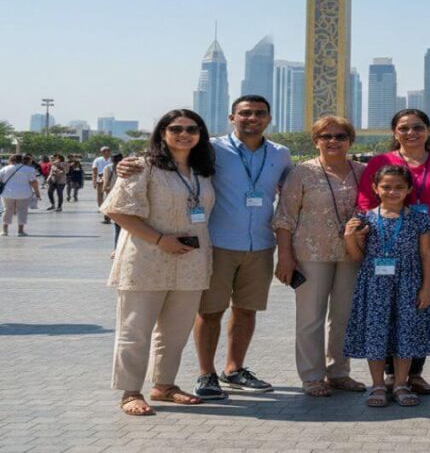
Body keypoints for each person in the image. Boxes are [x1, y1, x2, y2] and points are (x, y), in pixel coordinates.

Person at [117, 94, 292, 400]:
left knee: (246, 311)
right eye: (245, 113)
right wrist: (127, 164)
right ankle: (205, 374)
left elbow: (291, 195)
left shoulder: (281, 153)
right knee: (209, 312)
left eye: (259, 113)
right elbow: (160, 166)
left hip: (261, 244)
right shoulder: (211, 148)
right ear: (231, 118)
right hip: (217, 243)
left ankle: (234, 369)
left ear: (269, 118)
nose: (252, 118)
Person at [101, 109, 215, 416]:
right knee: (135, 328)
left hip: (190, 262)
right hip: (147, 259)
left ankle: (165, 385)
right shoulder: (142, 166)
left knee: (176, 330)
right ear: (162, 133)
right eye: (176, 128)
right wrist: (159, 239)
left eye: (192, 128)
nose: (184, 133)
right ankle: (130, 391)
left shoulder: (203, 171)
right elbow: (118, 211)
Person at [356, 109, 430, 395]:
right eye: (404, 128)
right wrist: (375, 229)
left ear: (428, 130)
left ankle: (414, 372)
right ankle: (390, 374)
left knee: (420, 306)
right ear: (394, 132)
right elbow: (365, 199)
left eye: (418, 127)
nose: (411, 133)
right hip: (387, 246)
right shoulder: (381, 162)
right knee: (384, 310)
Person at [272, 115, 367, 397]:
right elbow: (284, 217)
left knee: (344, 316)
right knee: (310, 317)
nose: (333, 141)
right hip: (310, 253)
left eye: (340, 136)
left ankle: (339, 371)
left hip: (351, 254)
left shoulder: (362, 171)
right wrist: (285, 257)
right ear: (316, 141)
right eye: (326, 136)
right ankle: (312, 375)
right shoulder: (302, 172)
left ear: (350, 141)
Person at [343, 165, 430, 407]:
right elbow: (357, 257)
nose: (392, 191)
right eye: (386, 187)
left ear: (409, 189)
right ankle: (377, 384)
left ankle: (400, 383)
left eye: (399, 187)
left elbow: (426, 254)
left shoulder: (420, 218)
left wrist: (427, 287)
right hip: (375, 285)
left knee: (405, 333)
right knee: (376, 334)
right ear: (376, 189)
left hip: (408, 284)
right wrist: (349, 237)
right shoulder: (364, 218)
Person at [1, 154, 42, 237]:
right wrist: (37, 193)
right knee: (22, 210)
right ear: (22, 160)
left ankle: (4, 230)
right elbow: (33, 182)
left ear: (11, 160)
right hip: (24, 193)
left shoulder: (5, 169)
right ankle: (20, 231)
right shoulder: (29, 170)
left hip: (8, 193)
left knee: (7, 210)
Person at [93, 147, 113, 223]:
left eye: (108, 151)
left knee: (109, 195)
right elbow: (94, 170)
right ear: (101, 152)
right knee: (100, 194)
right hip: (100, 179)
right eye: (104, 151)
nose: (106, 152)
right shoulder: (97, 160)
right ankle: (101, 207)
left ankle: (108, 208)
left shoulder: (112, 160)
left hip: (110, 179)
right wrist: (94, 181)